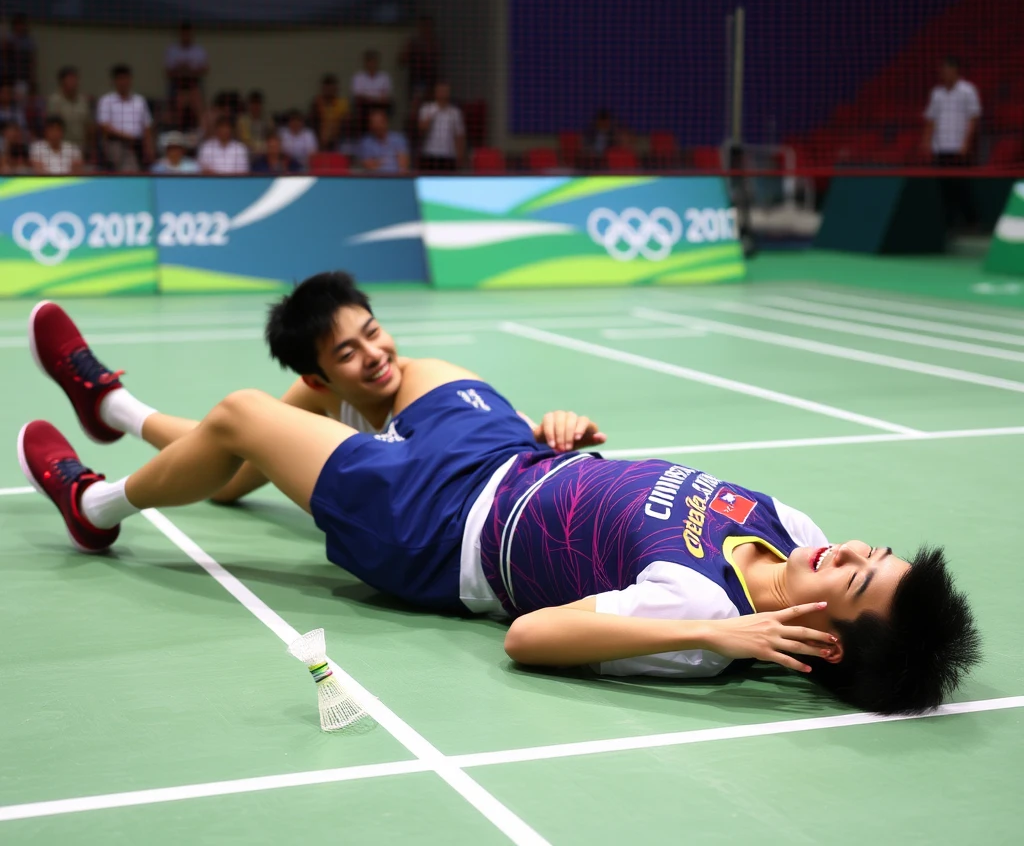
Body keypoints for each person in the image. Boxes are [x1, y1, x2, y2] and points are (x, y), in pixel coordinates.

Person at [18, 274, 980, 715]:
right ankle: (208, 450)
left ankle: (100, 493)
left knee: (241, 411)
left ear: (821, 641)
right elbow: (639, 499)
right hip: (516, 460)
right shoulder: (795, 531)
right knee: (391, 373)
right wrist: (568, 443)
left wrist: (720, 638)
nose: (846, 552)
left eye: (854, 581)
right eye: (871, 550)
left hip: (441, 528)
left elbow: (529, 640)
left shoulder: (700, 623)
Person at [922, 57, 982, 231]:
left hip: (959, 148)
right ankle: (949, 225)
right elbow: (931, 119)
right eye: (942, 71)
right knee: (944, 188)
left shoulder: (968, 91)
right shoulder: (936, 93)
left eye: (947, 70)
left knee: (962, 186)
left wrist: (966, 143)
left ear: (956, 71)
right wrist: (927, 142)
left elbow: (973, 118)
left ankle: (972, 222)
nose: (944, 74)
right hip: (941, 147)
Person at [96, 65, 154, 172]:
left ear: (130, 80)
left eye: (126, 78)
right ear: (114, 81)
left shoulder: (140, 101)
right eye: (120, 79)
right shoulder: (106, 100)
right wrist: (128, 137)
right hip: (115, 142)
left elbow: (147, 126)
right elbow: (104, 127)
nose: (123, 82)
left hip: (138, 143)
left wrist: (149, 148)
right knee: (128, 164)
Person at [418, 81, 465, 171]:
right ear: (435, 92)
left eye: (445, 91)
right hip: (430, 154)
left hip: (449, 155)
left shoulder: (455, 113)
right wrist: (429, 120)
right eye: (440, 90)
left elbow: (459, 136)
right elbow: (420, 131)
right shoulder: (427, 109)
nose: (443, 93)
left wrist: (460, 155)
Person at [47, 66, 92, 155]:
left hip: (80, 146)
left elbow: (89, 126)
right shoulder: (54, 101)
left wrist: (89, 146)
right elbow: (51, 127)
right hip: (62, 148)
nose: (73, 82)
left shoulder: (83, 100)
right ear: (62, 81)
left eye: (75, 79)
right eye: (69, 79)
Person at [351, 50, 393, 133]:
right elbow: (358, 97)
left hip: (380, 107)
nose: (371, 64)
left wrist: (369, 97)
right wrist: (375, 98)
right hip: (365, 108)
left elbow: (385, 98)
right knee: (362, 109)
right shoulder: (358, 77)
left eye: (373, 61)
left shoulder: (384, 77)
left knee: (386, 107)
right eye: (369, 61)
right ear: (365, 63)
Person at [358, 108, 409, 174]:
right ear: (370, 125)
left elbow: (403, 166)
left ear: (386, 122)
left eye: (379, 122)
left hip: (396, 179)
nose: (377, 126)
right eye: (374, 123)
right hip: (375, 180)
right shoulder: (366, 143)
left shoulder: (398, 139)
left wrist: (378, 162)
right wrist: (390, 160)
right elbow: (369, 166)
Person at [310, 74, 350, 151]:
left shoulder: (343, 103)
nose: (329, 91)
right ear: (323, 89)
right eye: (327, 88)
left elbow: (347, 121)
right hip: (320, 138)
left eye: (331, 88)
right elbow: (313, 121)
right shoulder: (317, 102)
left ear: (336, 89)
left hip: (338, 137)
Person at [236, 90, 273, 156]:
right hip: (248, 153)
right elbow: (245, 141)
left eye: (258, 103)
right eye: (253, 103)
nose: (256, 106)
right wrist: (259, 148)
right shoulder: (243, 120)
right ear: (249, 105)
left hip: (265, 155)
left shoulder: (268, 120)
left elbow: (272, 138)